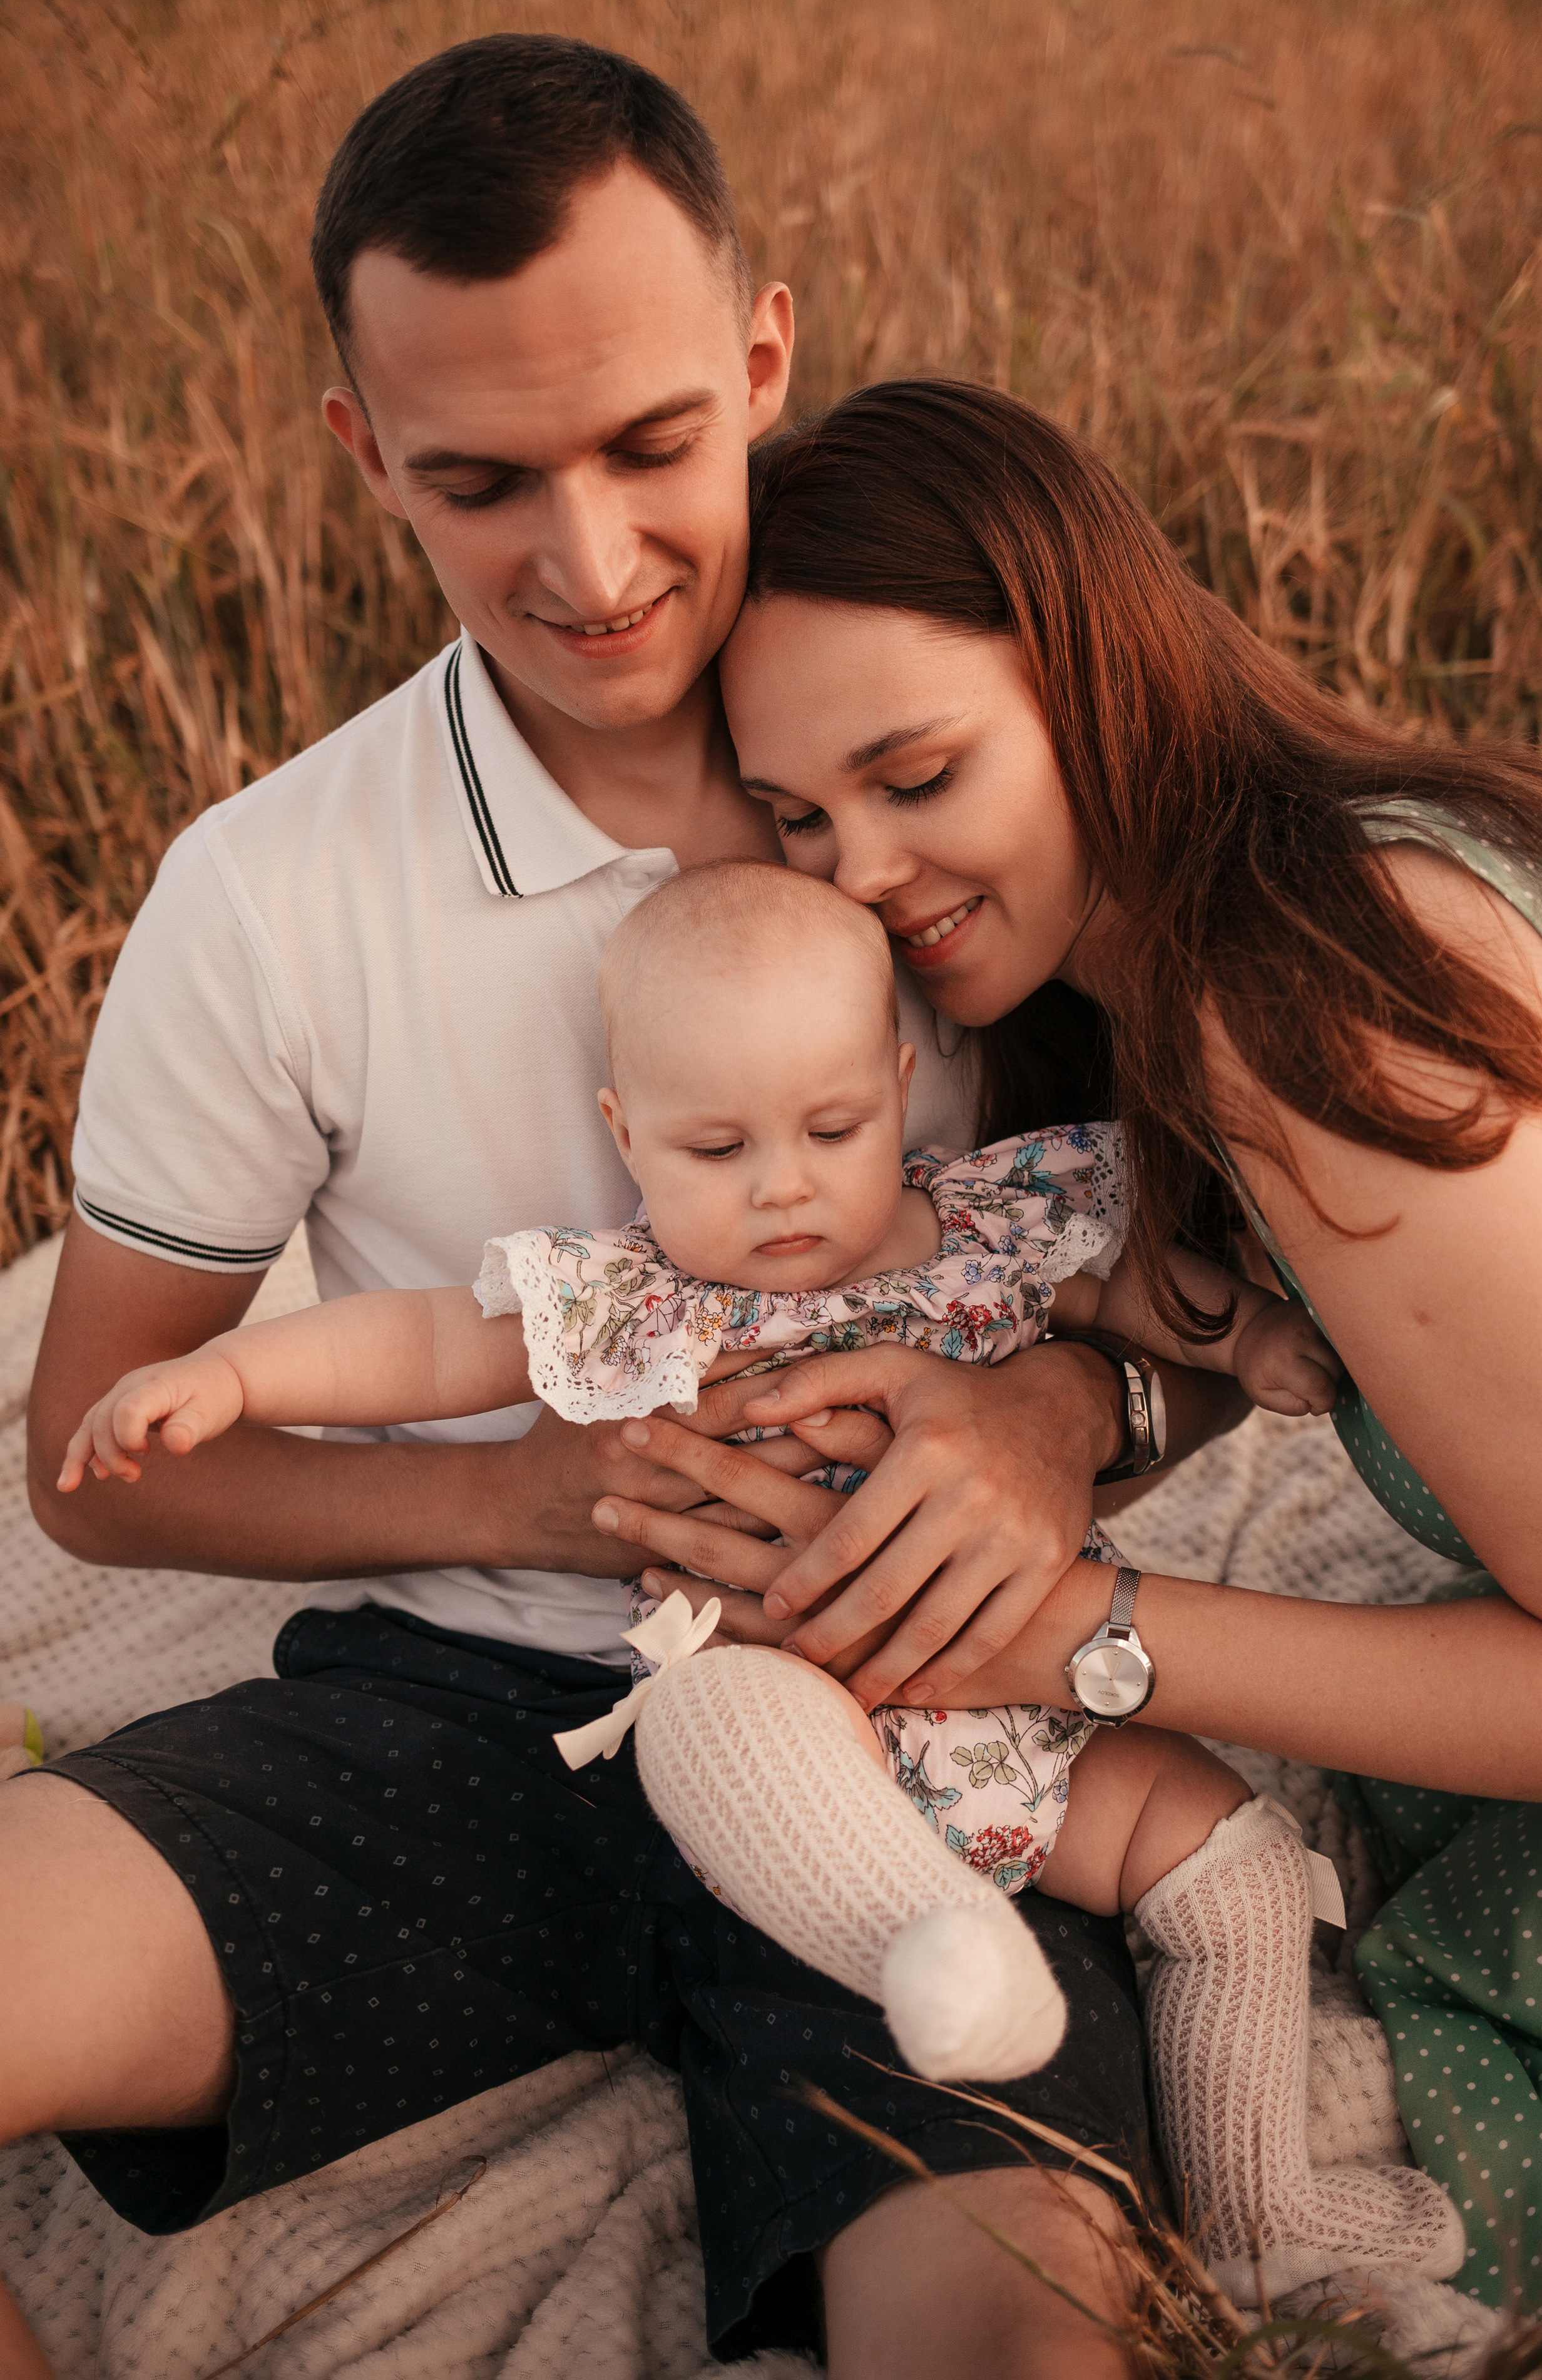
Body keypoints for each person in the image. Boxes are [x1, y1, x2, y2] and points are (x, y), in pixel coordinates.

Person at [4, 38, 1246, 2380]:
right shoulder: (266, 896)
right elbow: (95, 1462)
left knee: (1018, 2351)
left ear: (762, 354)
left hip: (919, 1731)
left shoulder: (942, 775)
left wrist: (1069, 1413)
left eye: (656, 445)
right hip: (463, 1724)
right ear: (363, 454)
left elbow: (1162, 1262)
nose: (590, 563)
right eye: (480, 482)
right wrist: (535, 1495)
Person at [58, 859, 1454, 2296]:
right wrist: (232, 1372)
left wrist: (1245, 1344)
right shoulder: (643, 1293)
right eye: (714, 1150)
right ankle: (920, 1935)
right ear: (626, 1134)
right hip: (789, 1698)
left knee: (1231, 1875)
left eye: (832, 1128)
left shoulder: (984, 1227)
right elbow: (424, 1345)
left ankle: (1259, 2202)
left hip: (1012, 1699)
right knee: (716, 1718)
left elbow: (1129, 1284)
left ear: (898, 1080)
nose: (782, 1186)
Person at [591, 375, 1542, 2332]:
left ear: (1094, 673)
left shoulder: (1308, 1000)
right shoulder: (1239, 924)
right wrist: (1063, 1396)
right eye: (800, 817)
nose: (861, 875)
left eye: (919, 774)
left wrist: (1068, 1630)